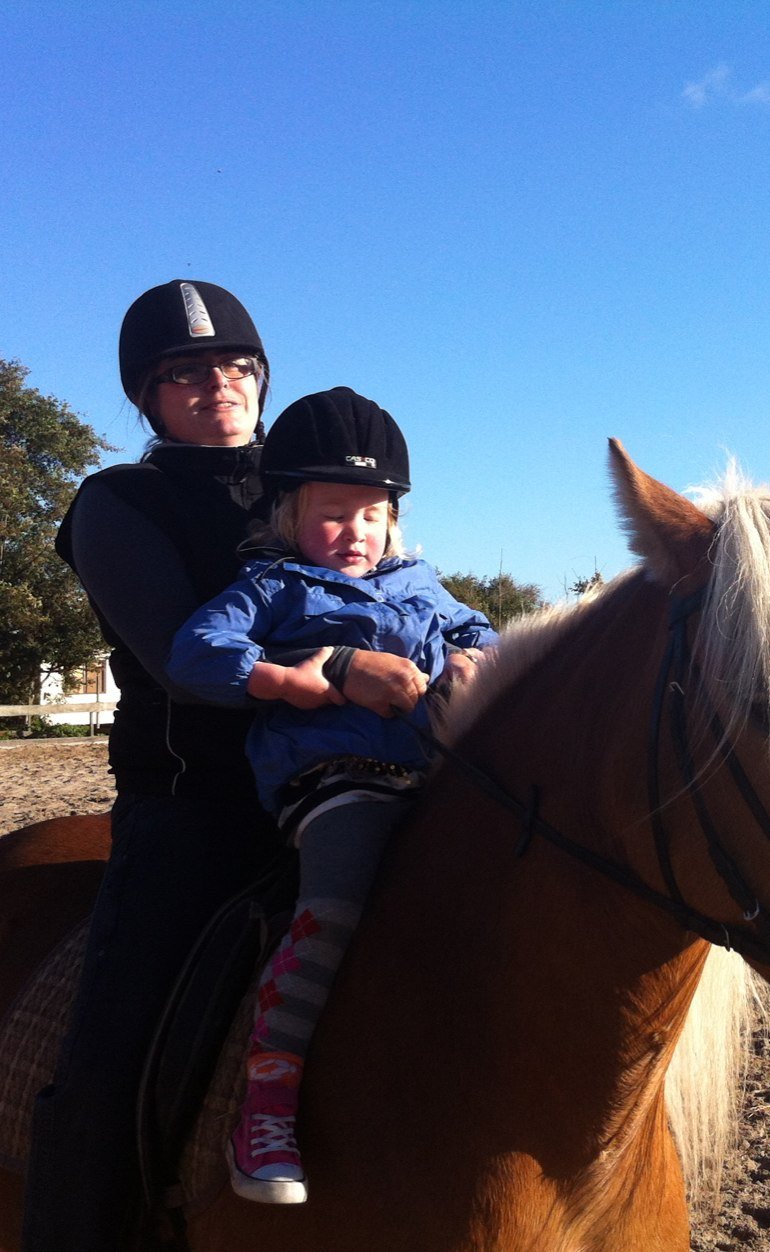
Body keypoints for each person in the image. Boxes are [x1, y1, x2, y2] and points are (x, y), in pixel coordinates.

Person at [22, 284, 424, 1251]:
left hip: (351, 774)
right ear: (147, 395)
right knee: (109, 1051)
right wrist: (336, 671)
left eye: (235, 366)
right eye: (184, 372)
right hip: (198, 801)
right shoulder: (119, 503)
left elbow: (404, 597)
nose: (217, 385)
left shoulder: (320, 480)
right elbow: (176, 657)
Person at [167, 387, 498, 1204]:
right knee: (341, 893)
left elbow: (483, 633)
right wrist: (294, 676)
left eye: (371, 514)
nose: (354, 533)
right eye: (332, 513)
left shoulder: (422, 583)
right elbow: (197, 652)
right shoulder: (274, 587)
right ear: (288, 516)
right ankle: (268, 1097)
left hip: (432, 774)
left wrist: (477, 662)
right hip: (335, 776)